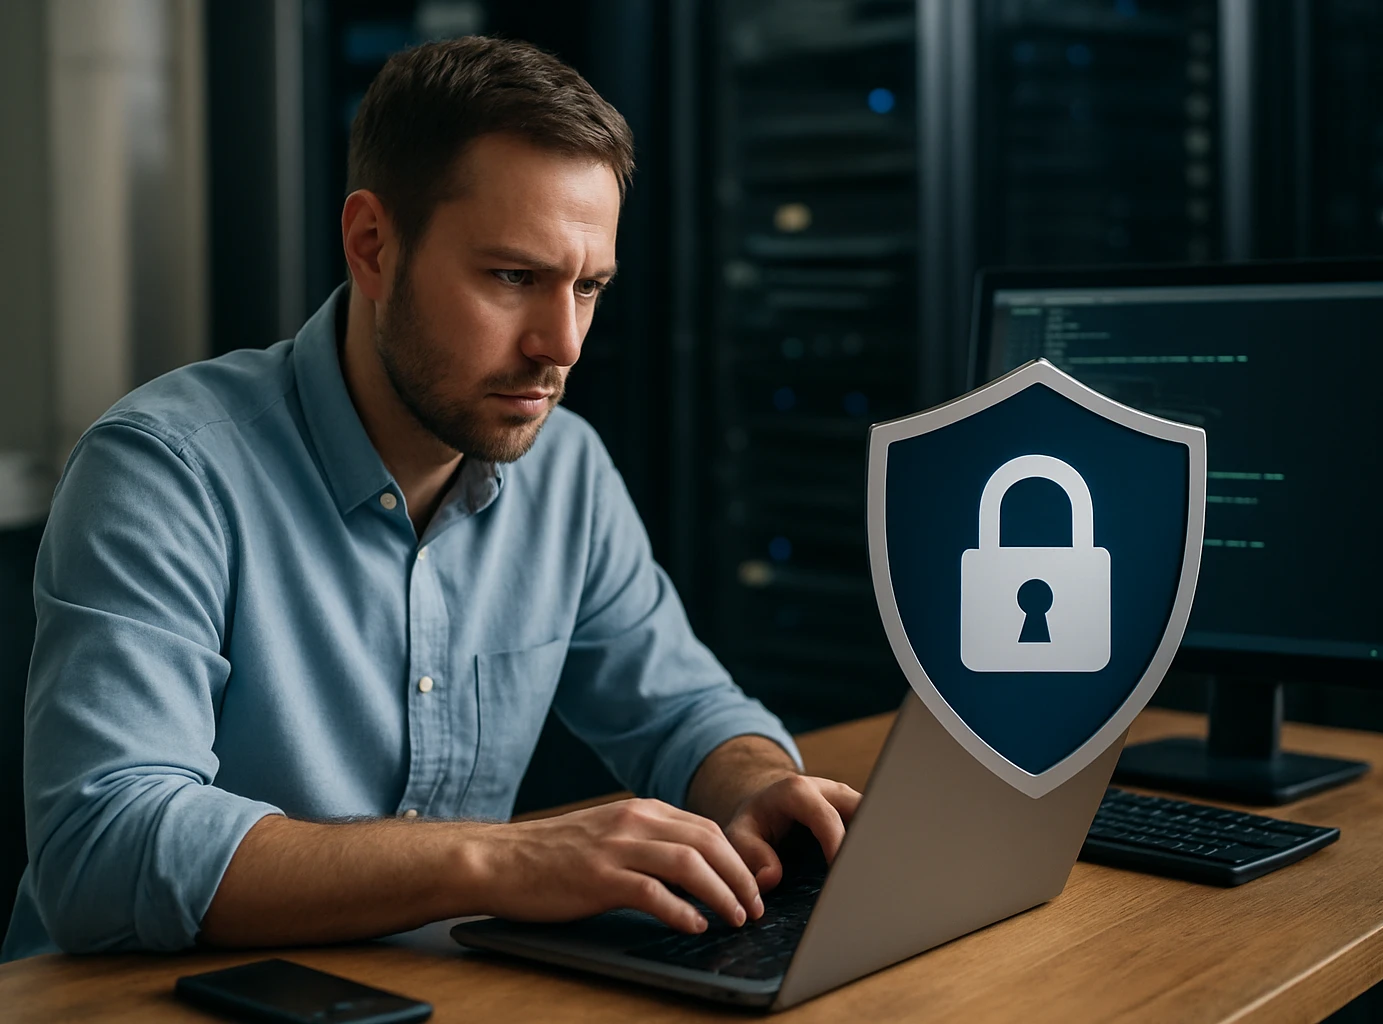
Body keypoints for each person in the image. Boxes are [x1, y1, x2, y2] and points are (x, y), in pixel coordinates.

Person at [1, 36, 860, 961]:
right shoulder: (164, 472)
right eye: (514, 278)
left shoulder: (564, 470)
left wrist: (753, 781)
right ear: (373, 245)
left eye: (590, 287)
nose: (562, 344)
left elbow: (686, 710)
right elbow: (101, 850)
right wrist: (499, 862)